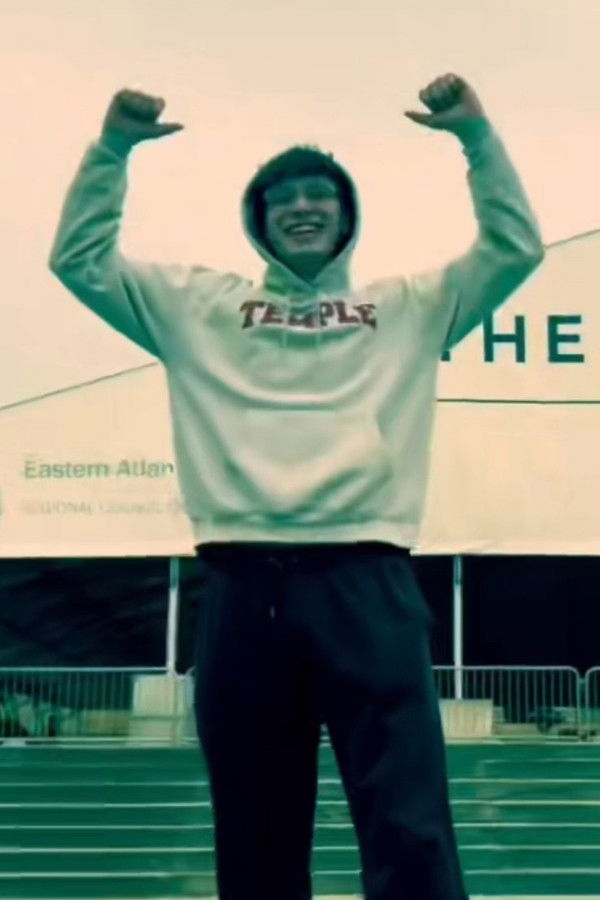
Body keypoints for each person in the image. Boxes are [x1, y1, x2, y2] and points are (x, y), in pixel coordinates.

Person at [49, 73, 544, 900]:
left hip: (367, 579)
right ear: (257, 219)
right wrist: (112, 149)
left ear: (348, 218)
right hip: (242, 584)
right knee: (255, 823)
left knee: (408, 819)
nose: (303, 208)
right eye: (282, 199)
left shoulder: (410, 306)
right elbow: (78, 260)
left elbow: (514, 249)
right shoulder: (197, 307)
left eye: (321, 196)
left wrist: (476, 137)